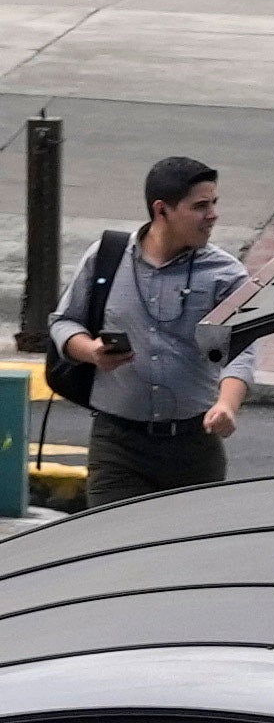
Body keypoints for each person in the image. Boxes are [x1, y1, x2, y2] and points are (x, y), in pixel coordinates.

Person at [51, 152, 247, 509]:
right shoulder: (106, 256)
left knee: (187, 556)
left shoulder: (226, 274)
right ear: (162, 210)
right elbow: (63, 322)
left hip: (193, 445)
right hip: (118, 443)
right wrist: (92, 351)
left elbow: (242, 349)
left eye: (215, 203)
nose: (213, 215)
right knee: (112, 548)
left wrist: (227, 405)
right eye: (201, 206)